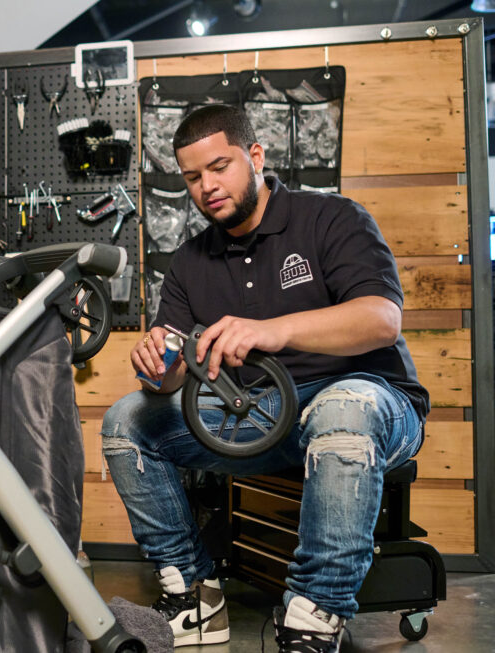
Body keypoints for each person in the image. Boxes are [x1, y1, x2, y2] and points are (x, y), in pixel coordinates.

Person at [100, 104, 429, 652]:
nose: (207, 187)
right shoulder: (188, 262)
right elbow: (168, 382)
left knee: (340, 406)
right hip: (260, 415)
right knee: (126, 420)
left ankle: (314, 616)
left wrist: (274, 330)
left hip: (372, 402)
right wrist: (157, 361)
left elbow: (381, 320)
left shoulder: (332, 219)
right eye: (192, 177)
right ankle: (192, 600)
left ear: (256, 156)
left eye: (220, 167)